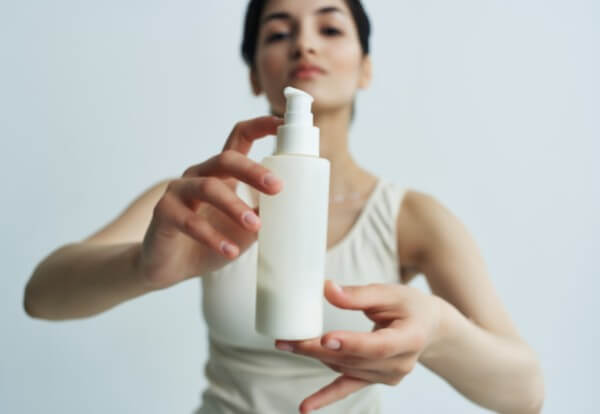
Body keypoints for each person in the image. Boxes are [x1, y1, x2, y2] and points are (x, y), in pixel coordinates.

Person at [24, 0, 545, 413]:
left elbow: (525, 393)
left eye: (331, 28)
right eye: (277, 32)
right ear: (255, 74)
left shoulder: (410, 217)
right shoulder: (204, 201)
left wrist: (439, 331)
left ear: (365, 67)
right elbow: (41, 296)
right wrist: (141, 267)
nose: (304, 44)